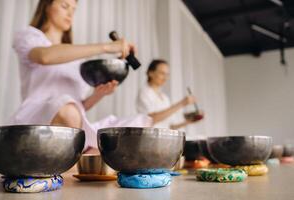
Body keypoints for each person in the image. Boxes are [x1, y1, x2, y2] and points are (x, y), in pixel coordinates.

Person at [10, 0, 152, 153]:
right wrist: (106, 47)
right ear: (46, 6)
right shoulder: (30, 36)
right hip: (37, 123)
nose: (70, 13)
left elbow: (79, 107)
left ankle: (83, 157)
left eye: (74, 9)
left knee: (139, 124)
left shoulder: (77, 60)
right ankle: (85, 158)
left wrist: (98, 94)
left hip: (73, 126)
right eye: (65, 6)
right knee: (69, 111)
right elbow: (45, 56)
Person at [137, 59, 203, 129]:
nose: (165, 78)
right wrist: (182, 103)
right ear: (150, 73)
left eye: (167, 74)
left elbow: (170, 127)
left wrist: (188, 122)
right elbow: (150, 119)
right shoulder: (144, 93)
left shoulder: (164, 98)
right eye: (162, 73)